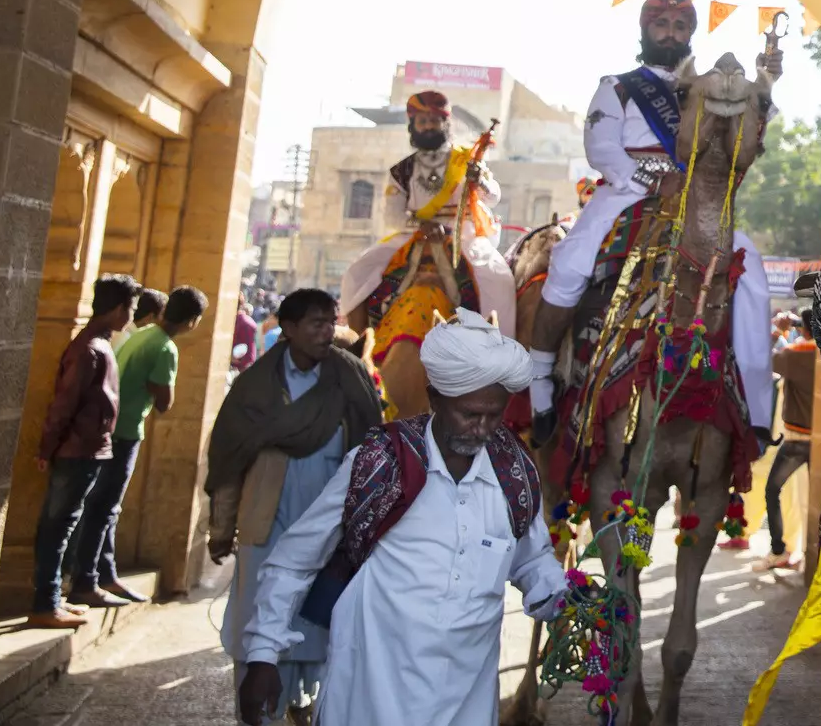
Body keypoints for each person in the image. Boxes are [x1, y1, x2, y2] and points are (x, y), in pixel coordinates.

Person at [236, 308, 564, 726]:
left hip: (466, 701)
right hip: (369, 693)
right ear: (435, 400)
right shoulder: (379, 463)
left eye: (493, 416)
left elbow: (532, 559)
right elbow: (293, 560)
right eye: (470, 414)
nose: (482, 430)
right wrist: (264, 654)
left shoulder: (513, 473)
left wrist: (560, 595)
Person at [526, 0, 780, 443]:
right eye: (661, 24)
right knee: (570, 261)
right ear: (645, 30)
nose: (670, 33)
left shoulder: (707, 85)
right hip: (626, 193)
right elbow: (601, 147)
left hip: (697, 197)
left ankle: (755, 410)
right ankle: (541, 375)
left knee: (754, 275)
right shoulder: (618, 86)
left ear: (691, 34)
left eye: (680, 26)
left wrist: (766, 87)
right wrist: (648, 180)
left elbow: (746, 132)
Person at [208, 287, 382, 726]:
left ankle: (308, 709)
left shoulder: (350, 380)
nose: (327, 332)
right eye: (316, 323)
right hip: (266, 526)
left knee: (324, 628)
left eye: (331, 321)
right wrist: (220, 529)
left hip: (331, 533)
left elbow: (372, 452)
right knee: (258, 621)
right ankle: (257, 714)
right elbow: (228, 462)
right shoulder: (254, 387)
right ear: (287, 329)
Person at [338, 91, 514, 418]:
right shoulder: (401, 170)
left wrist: (481, 181)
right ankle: (356, 347)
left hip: (461, 234)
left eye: (435, 120)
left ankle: (501, 365)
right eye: (423, 121)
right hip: (414, 233)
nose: (430, 125)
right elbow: (392, 215)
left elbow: (493, 196)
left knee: (498, 279)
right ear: (413, 125)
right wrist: (422, 224)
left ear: (446, 123)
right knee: (357, 272)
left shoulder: (467, 159)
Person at [66, 285, 207, 608]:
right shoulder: (165, 348)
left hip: (110, 428)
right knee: (104, 508)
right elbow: (164, 402)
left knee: (103, 507)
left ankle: (104, 573)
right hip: (125, 431)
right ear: (192, 320)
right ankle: (86, 581)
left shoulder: (143, 334)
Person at [28, 273, 139, 628]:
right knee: (58, 526)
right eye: (131, 308)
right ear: (119, 308)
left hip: (88, 450)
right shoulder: (90, 347)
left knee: (66, 525)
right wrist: (47, 446)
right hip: (77, 451)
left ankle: (55, 597)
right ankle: (45, 602)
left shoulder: (99, 344)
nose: (131, 316)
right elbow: (65, 403)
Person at [755, 319, 816, 572]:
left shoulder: (796, 353)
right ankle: (817, 553)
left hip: (796, 440)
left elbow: (761, 359)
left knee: (773, 491)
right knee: (819, 499)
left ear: (803, 329)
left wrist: (777, 332)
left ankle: (779, 550)